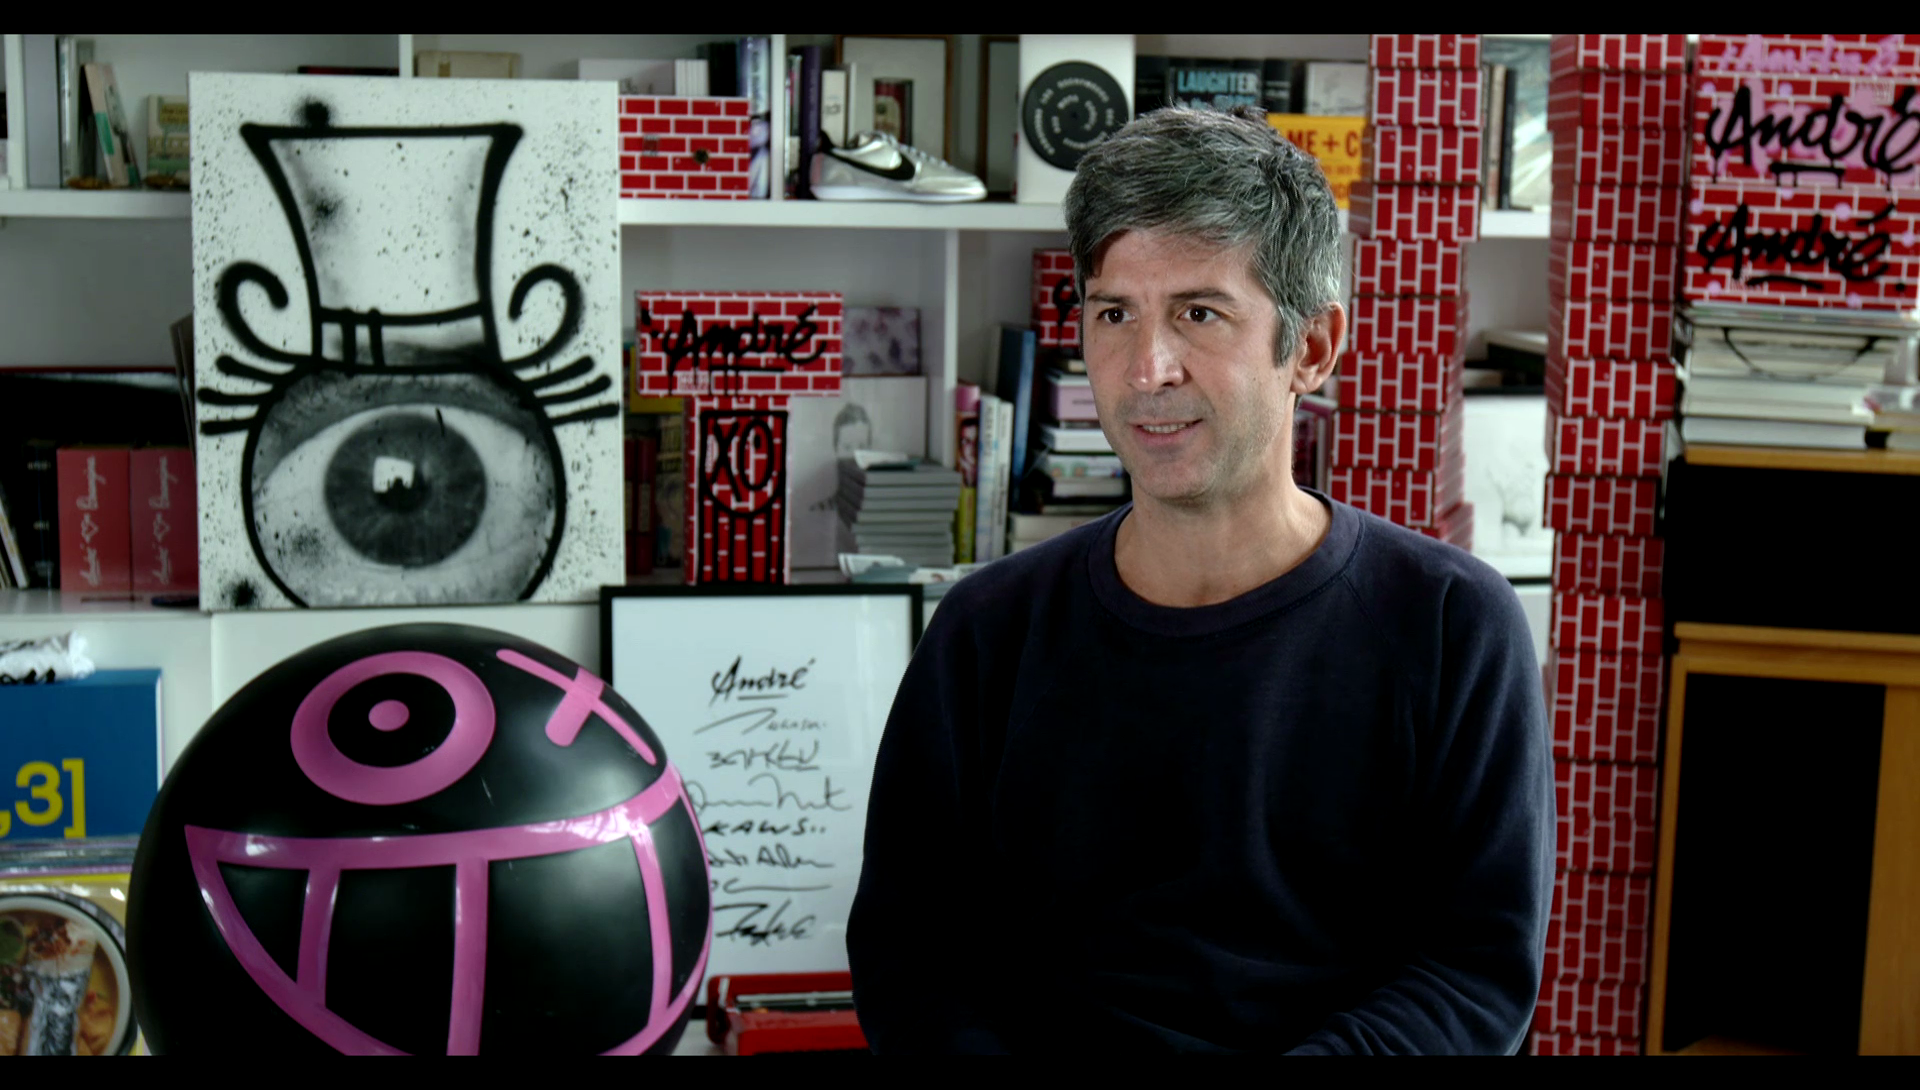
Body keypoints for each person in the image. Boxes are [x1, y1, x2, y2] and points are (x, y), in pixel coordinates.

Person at [846, 105, 1554, 1054]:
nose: (1146, 369)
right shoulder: (988, 632)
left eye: (1199, 313)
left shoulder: (1452, 625)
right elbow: (913, 957)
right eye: (1113, 314)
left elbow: (1473, 970)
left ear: (1310, 347)